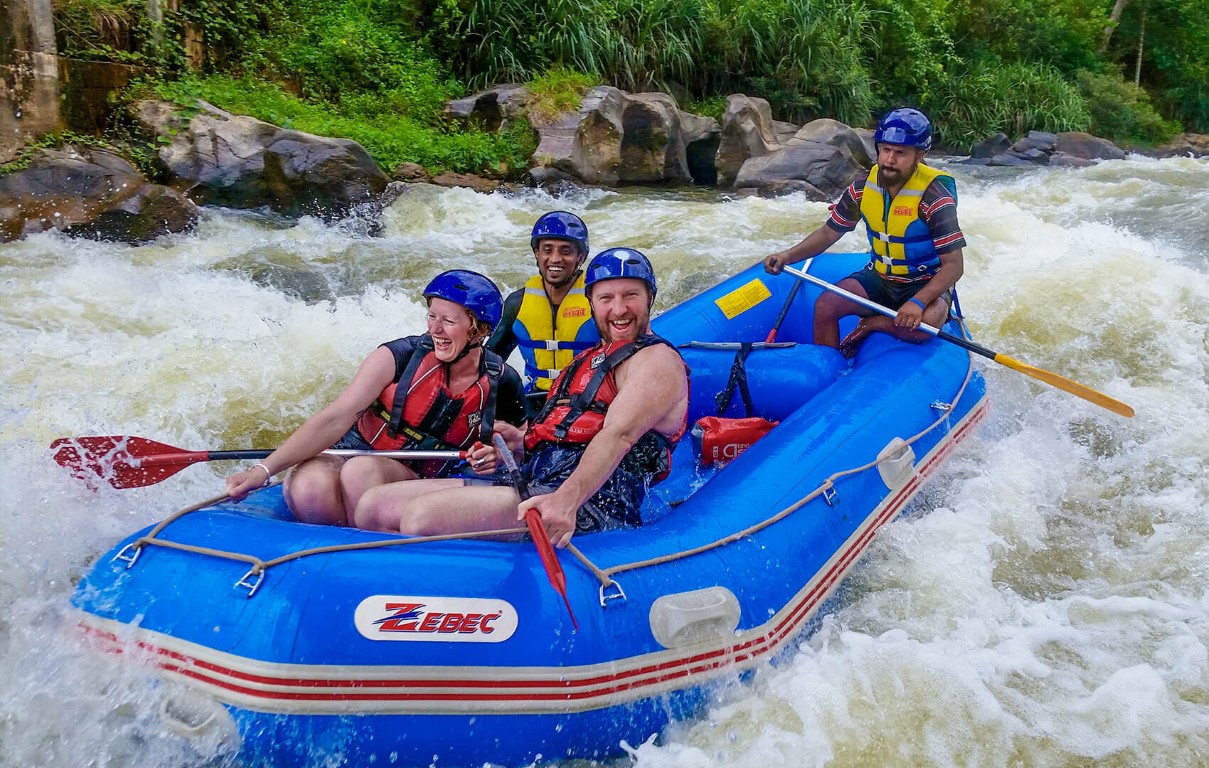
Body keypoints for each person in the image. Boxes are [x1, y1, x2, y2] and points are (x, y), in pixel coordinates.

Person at [355, 247, 690, 548]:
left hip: (595, 502)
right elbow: (565, 432)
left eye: (630, 295)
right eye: (606, 298)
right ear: (591, 303)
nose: (618, 309)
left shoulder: (656, 360)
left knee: (420, 518)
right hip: (537, 480)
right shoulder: (593, 357)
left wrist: (566, 501)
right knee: (374, 507)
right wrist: (519, 442)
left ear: (650, 298)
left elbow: (619, 435)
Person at [224, 270, 527, 526]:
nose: (434, 329)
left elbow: (519, 446)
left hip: (422, 474)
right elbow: (336, 417)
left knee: (361, 472)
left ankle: (371, 552)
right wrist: (261, 470)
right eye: (431, 316)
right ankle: (335, 555)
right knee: (309, 489)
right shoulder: (398, 357)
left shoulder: (502, 381)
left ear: (480, 330)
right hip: (353, 450)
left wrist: (500, 454)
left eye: (448, 321)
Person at [762, 108, 966, 356]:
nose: (889, 159)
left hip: (925, 281)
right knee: (825, 306)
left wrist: (917, 302)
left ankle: (874, 323)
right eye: (885, 150)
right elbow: (829, 233)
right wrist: (787, 256)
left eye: (901, 153)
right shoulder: (862, 186)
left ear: (920, 155)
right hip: (881, 277)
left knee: (925, 327)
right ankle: (830, 371)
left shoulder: (935, 197)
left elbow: (954, 266)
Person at [487, 211, 600, 417]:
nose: (555, 259)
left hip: (589, 400)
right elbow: (489, 361)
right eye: (547, 250)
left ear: (580, 257)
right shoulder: (517, 303)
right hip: (535, 399)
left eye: (566, 251)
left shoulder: (599, 300)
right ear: (537, 254)